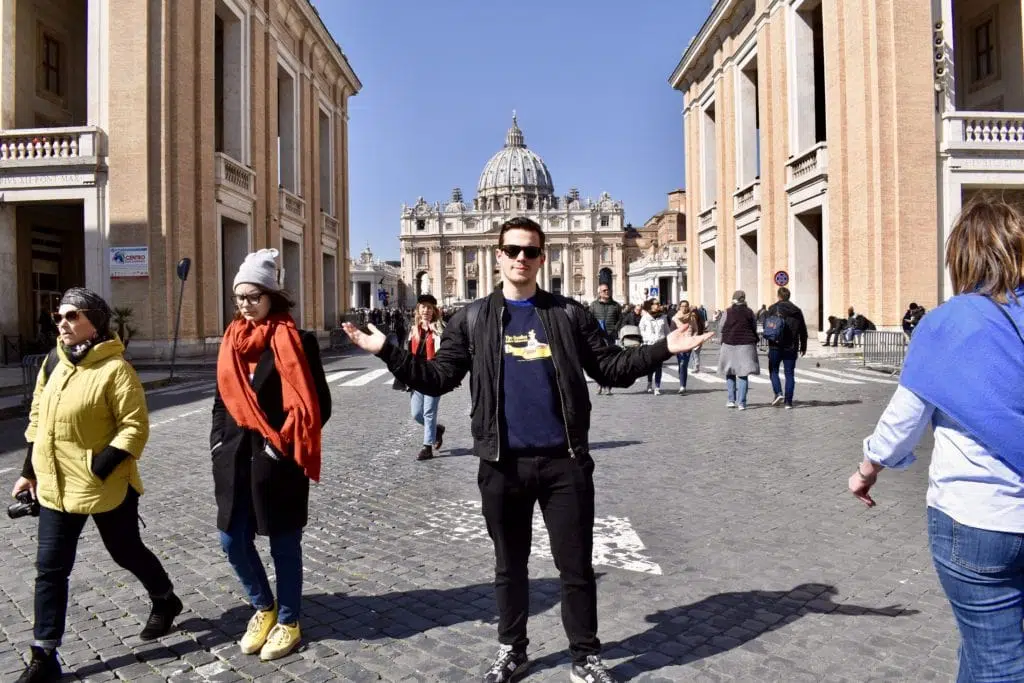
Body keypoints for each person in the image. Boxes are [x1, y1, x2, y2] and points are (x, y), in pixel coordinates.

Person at [341, 217, 712, 683]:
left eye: (530, 251)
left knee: (575, 567)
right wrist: (387, 351)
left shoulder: (568, 314)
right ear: (498, 255)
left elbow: (611, 368)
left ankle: (585, 655)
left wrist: (663, 349)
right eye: (512, 250)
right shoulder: (471, 318)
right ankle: (512, 648)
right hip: (502, 463)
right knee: (509, 566)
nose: (521, 258)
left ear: (543, 257)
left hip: (565, 462)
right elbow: (439, 378)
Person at [848, 196, 1024, 681]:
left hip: (977, 513)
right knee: (983, 648)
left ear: (960, 258)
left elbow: (903, 420)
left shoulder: (950, 321)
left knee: (999, 659)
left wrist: (868, 470)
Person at [11, 287, 182, 683]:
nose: (63, 323)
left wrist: (98, 468)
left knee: (125, 552)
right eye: (59, 316)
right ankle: (44, 654)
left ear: (95, 321)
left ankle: (164, 598)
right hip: (54, 486)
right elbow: (38, 419)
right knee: (50, 570)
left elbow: (134, 428)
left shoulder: (115, 369)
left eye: (72, 315)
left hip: (104, 485)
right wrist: (29, 470)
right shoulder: (53, 361)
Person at [211, 248, 332, 662]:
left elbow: (320, 407)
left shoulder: (298, 342)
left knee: (284, 543)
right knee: (231, 540)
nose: (245, 305)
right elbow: (220, 403)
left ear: (271, 296)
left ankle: (290, 620)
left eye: (252, 296)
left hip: (278, 459)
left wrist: (282, 444)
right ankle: (264, 607)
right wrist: (216, 444)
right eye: (239, 297)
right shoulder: (231, 341)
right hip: (233, 459)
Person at [408, 294, 446, 461]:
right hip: (417, 376)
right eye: (423, 307)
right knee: (417, 413)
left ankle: (427, 447)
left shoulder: (441, 328)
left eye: (429, 307)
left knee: (429, 411)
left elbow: (446, 352)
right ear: (418, 309)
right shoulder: (413, 329)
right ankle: (436, 430)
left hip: (433, 374)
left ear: (434, 311)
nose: (426, 310)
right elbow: (407, 352)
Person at [765, 287, 808, 409]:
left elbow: (767, 325)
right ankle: (788, 402)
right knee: (789, 374)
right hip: (791, 345)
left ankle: (778, 393)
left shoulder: (772, 309)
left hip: (775, 345)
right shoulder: (797, 311)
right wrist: (803, 346)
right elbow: (803, 330)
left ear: (778, 296)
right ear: (789, 296)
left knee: (773, 370)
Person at [716, 290, 759, 410]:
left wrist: (721, 340)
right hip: (746, 345)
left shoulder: (728, 311)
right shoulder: (750, 312)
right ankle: (742, 403)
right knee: (743, 374)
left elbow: (721, 326)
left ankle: (731, 400)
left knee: (729, 372)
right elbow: (754, 327)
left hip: (729, 344)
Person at [590, 284, 622, 396]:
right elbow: (590, 319)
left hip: (610, 336)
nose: (607, 292)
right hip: (598, 337)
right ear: (599, 292)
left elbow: (620, 320)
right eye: (604, 290)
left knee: (610, 362)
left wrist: (615, 329)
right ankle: (599, 384)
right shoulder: (594, 305)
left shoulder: (616, 305)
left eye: (608, 290)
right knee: (598, 362)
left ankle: (608, 386)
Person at [640, 299, 670, 395]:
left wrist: (667, 341)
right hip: (649, 344)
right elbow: (641, 330)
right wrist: (646, 338)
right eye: (656, 304)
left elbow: (667, 331)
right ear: (651, 306)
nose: (658, 305)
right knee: (650, 366)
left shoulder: (663, 317)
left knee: (659, 367)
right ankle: (649, 383)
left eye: (659, 304)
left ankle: (657, 387)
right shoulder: (645, 317)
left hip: (660, 344)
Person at [671, 300, 701, 394]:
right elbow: (672, 332)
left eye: (686, 306)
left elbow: (696, 329)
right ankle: (682, 384)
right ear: (679, 307)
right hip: (679, 344)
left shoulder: (692, 318)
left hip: (688, 344)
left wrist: (693, 338)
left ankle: (683, 385)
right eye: (682, 306)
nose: (684, 308)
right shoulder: (675, 318)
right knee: (681, 363)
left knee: (684, 364)